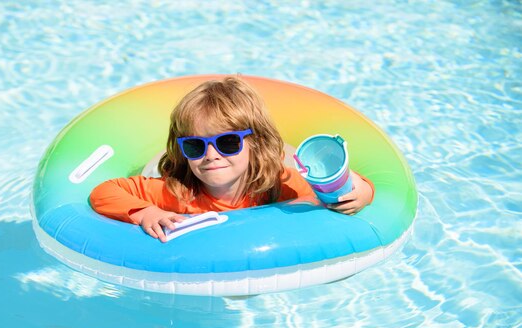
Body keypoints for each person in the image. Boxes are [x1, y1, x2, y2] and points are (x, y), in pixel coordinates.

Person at [90, 76, 374, 242]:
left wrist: (362, 191)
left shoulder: (279, 184)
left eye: (227, 142)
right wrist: (147, 213)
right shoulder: (176, 192)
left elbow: (338, 187)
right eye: (194, 146)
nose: (211, 155)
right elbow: (104, 191)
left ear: (257, 142)